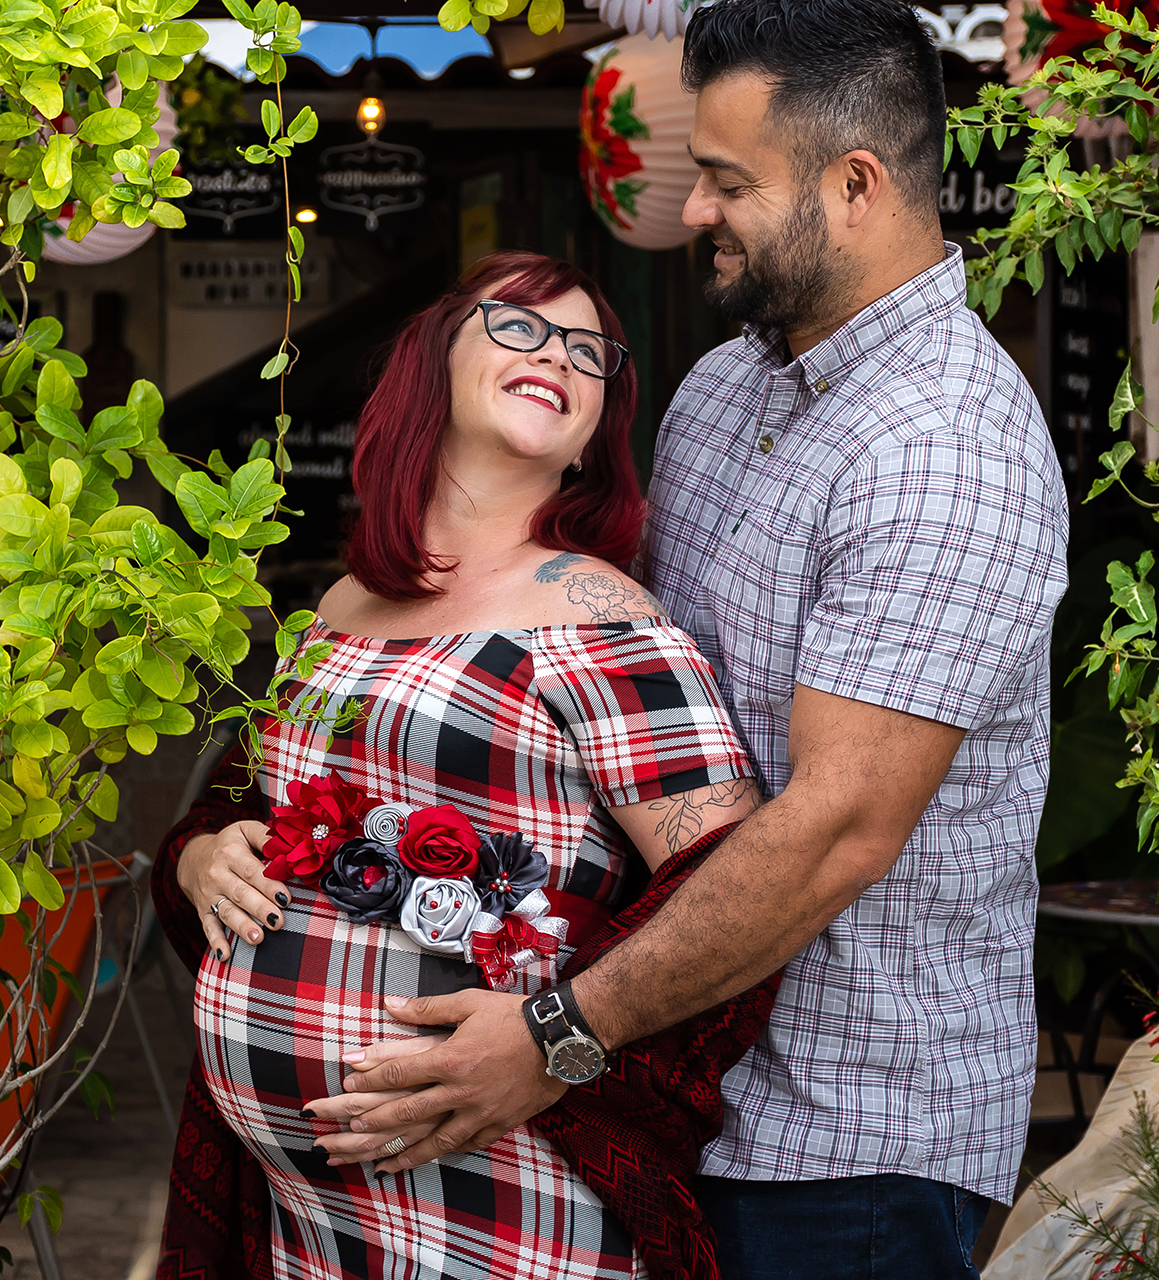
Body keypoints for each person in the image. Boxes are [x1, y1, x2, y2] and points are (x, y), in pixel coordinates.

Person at [323, 2, 1070, 1277]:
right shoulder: (726, 387)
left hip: (846, 1142)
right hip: (665, 1091)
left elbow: (836, 828)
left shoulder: (951, 448)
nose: (689, 214)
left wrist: (554, 1033)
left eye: (727, 182)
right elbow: (594, 703)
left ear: (854, 186)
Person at [151, 250, 781, 1279]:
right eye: (522, 326)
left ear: (588, 442)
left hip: (498, 1198)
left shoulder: (599, 618)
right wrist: (198, 855)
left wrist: (557, 1039)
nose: (561, 356)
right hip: (309, 1219)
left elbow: (739, 890)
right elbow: (240, 803)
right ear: (433, 365)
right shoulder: (341, 607)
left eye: (591, 352)